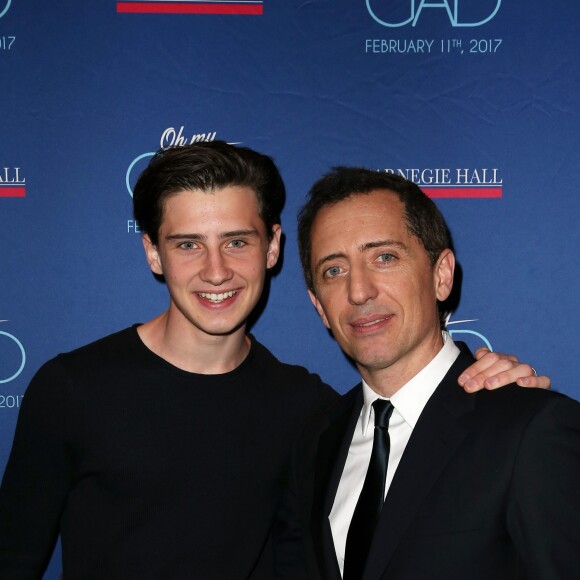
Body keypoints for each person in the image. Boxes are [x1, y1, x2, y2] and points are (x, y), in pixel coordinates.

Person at [0, 143, 547, 580]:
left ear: (273, 247)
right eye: (188, 244)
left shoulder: (310, 412)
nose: (216, 271)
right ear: (152, 252)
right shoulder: (73, 388)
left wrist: (493, 390)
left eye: (237, 242)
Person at [275, 167, 580, 580]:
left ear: (441, 275)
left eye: (384, 257)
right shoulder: (315, 445)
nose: (359, 291)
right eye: (334, 270)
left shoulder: (529, 430)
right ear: (318, 306)